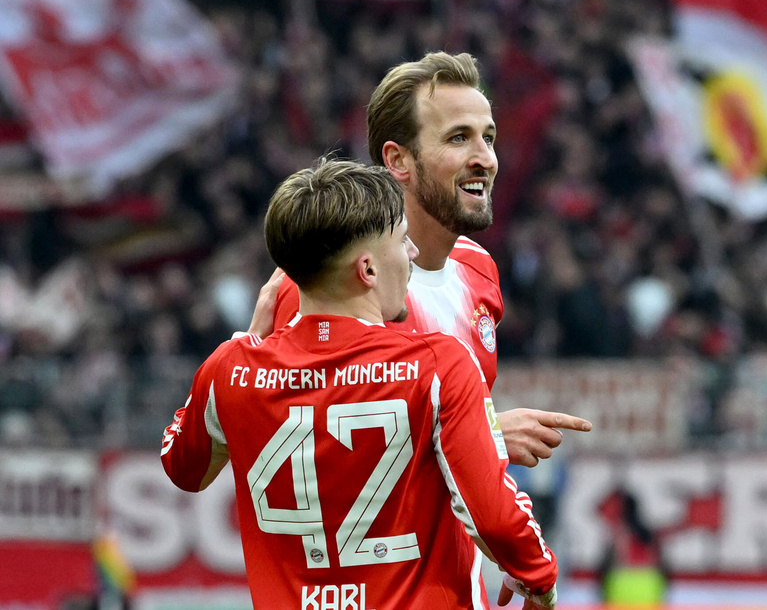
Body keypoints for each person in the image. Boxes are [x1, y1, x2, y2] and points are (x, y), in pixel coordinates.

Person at [162, 159, 558, 610]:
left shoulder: (230, 368)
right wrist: (540, 579)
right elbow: (494, 518)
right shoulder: (437, 364)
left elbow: (183, 468)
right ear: (367, 270)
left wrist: (247, 341)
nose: (410, 255)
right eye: (401, 241)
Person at [261, 51, 591, 467]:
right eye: (458, 138)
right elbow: (302, 453)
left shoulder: (479, 270)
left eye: (487, 138)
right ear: (399, 160)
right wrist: (484, 433)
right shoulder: (325, 276)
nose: (485, 159)